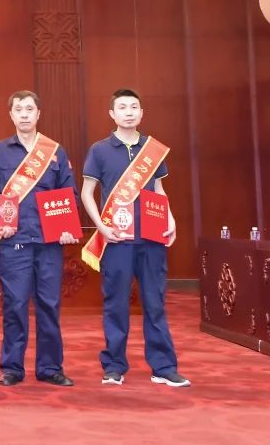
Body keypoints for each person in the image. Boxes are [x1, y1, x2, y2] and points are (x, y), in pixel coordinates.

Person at [80, 88, 189, 388]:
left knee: (155, 303)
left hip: (152, 239)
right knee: (116, 304)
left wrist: (170, 219)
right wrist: (100, 226)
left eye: (134, 107)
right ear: (112, 114)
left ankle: (163, 367)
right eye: (122, 107)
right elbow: (87, 193)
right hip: (117, 239)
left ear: (141, 113)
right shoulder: (100, 150)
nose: (128, 112)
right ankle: (114, 366)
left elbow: (158, 190)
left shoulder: (152, 150)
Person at [0, 91, 77, 388]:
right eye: (18, 109)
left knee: (49, 305)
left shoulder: (55, 151)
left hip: (49, 242)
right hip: (13, 241)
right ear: (11, 115)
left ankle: (50, 367)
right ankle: (12, 368)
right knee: (15, 305)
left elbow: (68, 193)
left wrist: (66, 225)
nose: (24, 114)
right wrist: (0, 216)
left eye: (29, 109)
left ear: (38, 114)